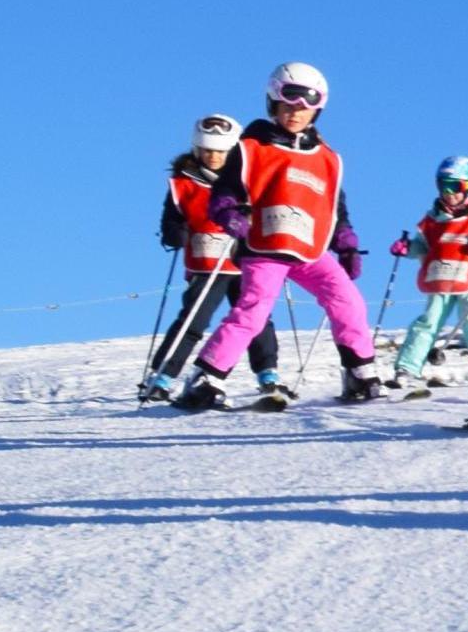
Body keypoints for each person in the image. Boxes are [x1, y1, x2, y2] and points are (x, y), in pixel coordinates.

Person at [174, 62, 383, 408]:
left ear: (317, 111)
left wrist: (345, 242)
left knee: (347, 300)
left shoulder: (326, 158)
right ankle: (207, 377)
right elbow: (225, 191)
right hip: (266, 246)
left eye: (305, 108)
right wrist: (229, 213)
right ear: (273, 103)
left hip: (308, 250)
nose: (295, 113)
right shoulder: (253, 147)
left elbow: (332, 205)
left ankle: (359, 371)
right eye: (288, 105)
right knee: (254, 309)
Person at [141, 114, 284, 402]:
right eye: (207, 151)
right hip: (206, 264)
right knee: (194, 320)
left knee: (256, 318)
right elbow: (172, 217)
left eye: (221, 151)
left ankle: (268, 373)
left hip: (245, 259)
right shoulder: (184, 184)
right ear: (196, 150)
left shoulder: (247, 180)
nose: (214, 157)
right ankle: (162, 375)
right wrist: (174, 233)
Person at [384, 155, 468, 391]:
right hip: (440, 278)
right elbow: (422, 246)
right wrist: (407, 248)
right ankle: (407, 367)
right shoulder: (432, 220)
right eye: (442, 185)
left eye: (455, 186)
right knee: (429, 321)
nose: (449, 192)